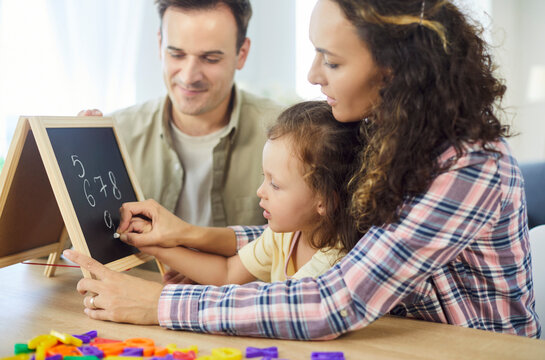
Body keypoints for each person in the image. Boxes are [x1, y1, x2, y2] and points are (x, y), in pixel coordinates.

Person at [64, 0, 541, 339]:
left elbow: (335, 301)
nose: (313, 75)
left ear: (397, 70)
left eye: (331, 61)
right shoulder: (385, 131)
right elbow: (311, 234)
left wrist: (159, 305)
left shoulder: (468, 167)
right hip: (396, 339)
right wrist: (186, 234)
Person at [81, 0, 283, 228]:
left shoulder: (288, 136)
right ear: (159, 45)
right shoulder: (115, 135)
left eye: (210, 59)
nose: (189, 76)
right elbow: (70, 244)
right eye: (176, 54)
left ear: (242, 54)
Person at [123, 101, 362, 285]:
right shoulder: (286, 236)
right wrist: (153, 246)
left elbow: (275, 305)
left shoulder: (334, 263)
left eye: (275, 185)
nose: (261, 192)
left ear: (324, 201)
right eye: (263, 178)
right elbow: (227, 272)